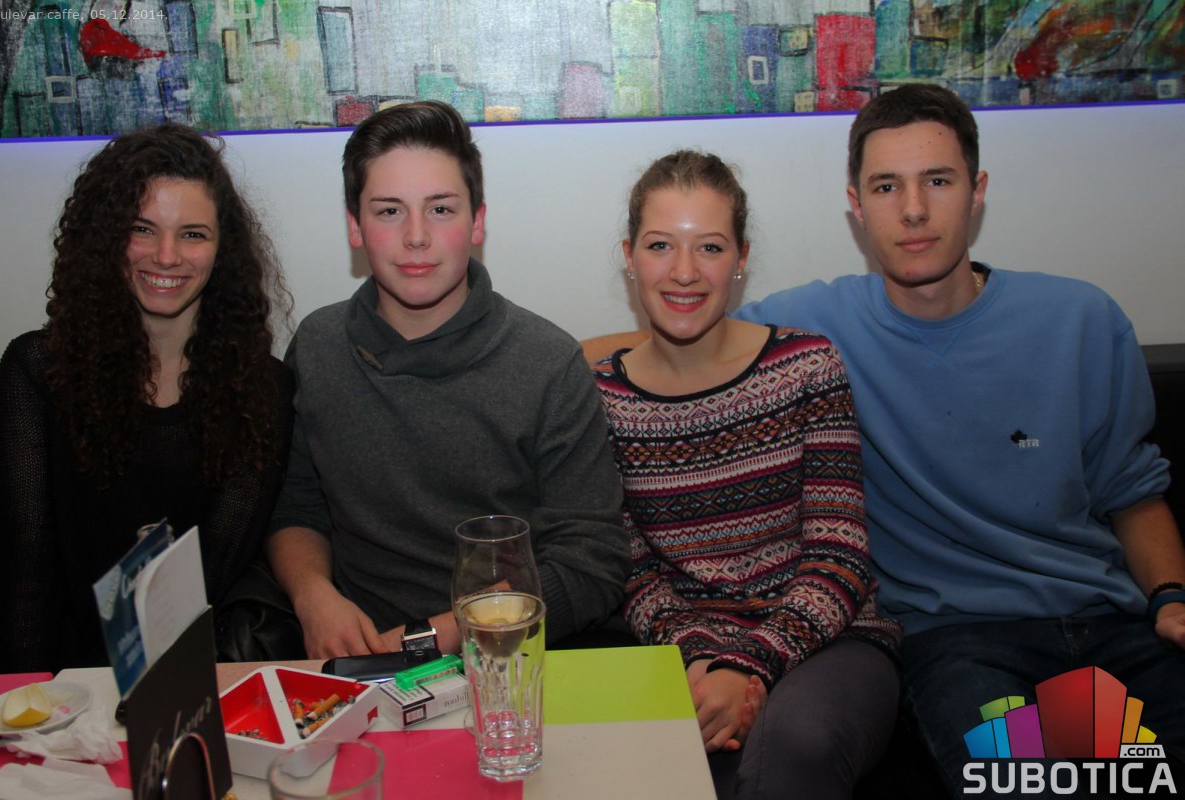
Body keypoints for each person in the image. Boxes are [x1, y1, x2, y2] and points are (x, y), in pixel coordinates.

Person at [587, 84, 1185, 793]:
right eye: (885, 186)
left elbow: (1133, 493)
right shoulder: (817, 326)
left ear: (976, 191)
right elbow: (686, 324)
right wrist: (566, 377)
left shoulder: (1079, 319)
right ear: (857, 204)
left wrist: (1170, 598)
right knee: (1026, 781)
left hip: (1109, 624)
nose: (913, 209)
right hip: (962, 642)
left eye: (938, 180)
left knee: (1146, 774)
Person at [267, 101, 629, 660]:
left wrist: (429, 639)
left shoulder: (547, 363)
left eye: (440, 209)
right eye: (389, 211)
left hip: (510, 658)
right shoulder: (319, 346)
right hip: (356, 659)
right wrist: (312, 594)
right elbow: (295, 508)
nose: (416, 236)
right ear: (355, 226)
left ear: (477, 222)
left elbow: (591, 563)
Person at [592, 150, 902, 800]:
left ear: (740, 258)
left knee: (797, 745)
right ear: (629, 256)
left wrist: (748, 664)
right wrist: (704, 659)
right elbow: (629, 569)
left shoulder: (806, 368)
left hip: (827, 640)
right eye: (659, 245)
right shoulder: (600, 399)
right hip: (681, 649)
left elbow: (840, 554)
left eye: (709, 247)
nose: (683, 272)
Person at [0, 124, 295, 673]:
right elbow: (24, 582)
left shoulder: (261, 390)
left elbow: (209, 579)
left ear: (222, 249)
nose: (167, 256)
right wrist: (27, 708)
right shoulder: (36, 371)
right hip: (63, 686)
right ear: (106, 238)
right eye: (142, 229)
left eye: (193, 234)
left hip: (194, 677)